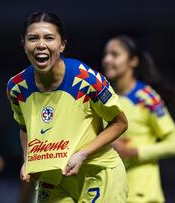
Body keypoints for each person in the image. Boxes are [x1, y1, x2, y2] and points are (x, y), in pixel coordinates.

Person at [7, 11, 128, 203]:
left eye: (49, 38)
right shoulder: (16, 88)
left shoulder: (86, 80)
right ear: (23, 44)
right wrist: (28, 160)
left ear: (62, 44)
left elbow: (119, 123)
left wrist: (83, 154)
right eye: (33, 38)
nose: (40, 45)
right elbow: (25, 129)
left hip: (96, 172)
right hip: (52, 179)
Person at [102, 35, 175, 203]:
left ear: (133, 61)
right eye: (105, 54)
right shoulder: (103, 98)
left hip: (143, 195)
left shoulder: (146, 98)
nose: (107, 59)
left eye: (115, 54)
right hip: (113, 194)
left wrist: (134, 152)